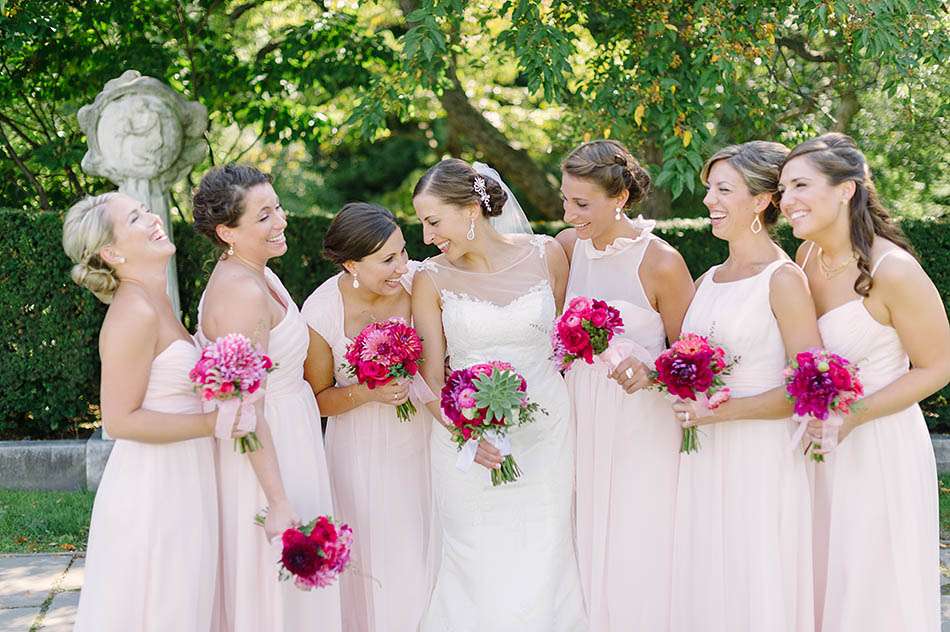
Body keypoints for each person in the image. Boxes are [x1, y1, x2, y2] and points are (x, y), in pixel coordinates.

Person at [411, 159, 588, 631]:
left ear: (471, 209)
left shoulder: (546, 254)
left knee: (544, 552)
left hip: (547, 435)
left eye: (433, 222)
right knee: (476, 559)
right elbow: (429, 379)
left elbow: (564, 347)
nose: (427, 238)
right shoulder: (430, 278)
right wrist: (466, 430)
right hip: (467, 445)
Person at [781, 133, 948, 632]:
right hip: (816, 446)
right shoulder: (806, 257)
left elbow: (938, 366)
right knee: (819, 576)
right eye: (784, 187)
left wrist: (852, 416)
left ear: (845, 190)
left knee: (871, 581)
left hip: (878, 445)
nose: (787, 200)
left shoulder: (893, 270)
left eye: (801, 185)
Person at [669, 142, 818, 632]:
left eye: (724, 189)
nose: (710, 200)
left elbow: (808, 389)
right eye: (710, 188)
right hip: (703, 452)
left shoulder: (783, 279)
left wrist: (723, 413)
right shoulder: (709, 278)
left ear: (760, 201)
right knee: (707, 572)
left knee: (753, 573)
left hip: (758, 455)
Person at [192, 164, 342, 632]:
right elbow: (245, 410)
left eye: (277, 207)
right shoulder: (241, 294)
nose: (280, 221)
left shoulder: (259, 274)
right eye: (263, 216)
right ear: (226, 231)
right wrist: (277, 500)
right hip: (268, 449)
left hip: (292, 430)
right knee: (272, 586)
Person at [555, 139, 694, 631]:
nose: (570, 213)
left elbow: (692, 357)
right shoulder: (568, 249)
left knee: (637, 532)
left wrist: (652, 369)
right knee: (581, 528)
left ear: (619, 198)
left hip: (640, 422)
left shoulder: (662, 262)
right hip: (579, 417)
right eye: (565, 200)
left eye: (582, 203)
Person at [65, 192, 218, 632]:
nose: (152, 218)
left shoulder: (157, 300)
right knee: (161, 607)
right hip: (154, 488)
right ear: (112, 253)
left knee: (184, 603)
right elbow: (119, 419)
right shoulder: (132, 312)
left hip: (185, 475)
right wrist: (211, 423)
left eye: (145, 210)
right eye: (135, 217)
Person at [301, 202, 435, 632]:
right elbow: (318, 398)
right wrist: (367, 391)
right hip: (359, 451)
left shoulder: (421, 284)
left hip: (423, 437)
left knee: (424, 544)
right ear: (351, 264)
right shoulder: (321, 313)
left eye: (402, 251)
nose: (402, 265)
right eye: (388, 259)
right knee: (378, 550)